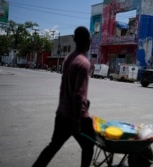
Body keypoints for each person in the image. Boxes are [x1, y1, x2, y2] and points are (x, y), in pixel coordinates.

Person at [32, 26, 95, 167]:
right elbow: (78, 94)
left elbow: (68, 87)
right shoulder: (84, 63)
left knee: (53, 146)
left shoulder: (69, 58)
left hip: (62, 113)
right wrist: (78, 122)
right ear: (88, 41)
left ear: (74, 40)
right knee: (89, 146)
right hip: (76, 116)